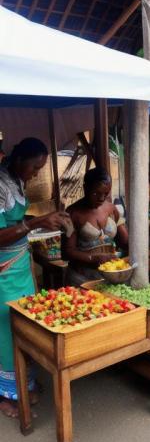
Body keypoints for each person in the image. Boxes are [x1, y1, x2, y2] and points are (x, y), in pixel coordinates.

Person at [0, 137, 70, 418]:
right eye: (35, 166)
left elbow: (15, 220)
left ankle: (23, 381)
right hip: (4, 271)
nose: (37, 173)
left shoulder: (14, 179)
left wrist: (43, 219)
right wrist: (37, 222)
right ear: (19, 160)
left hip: (19, 267)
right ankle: (7, 394)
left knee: (25, 325)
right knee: (6, 329)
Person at [63, 167, 128, 286]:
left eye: (106, 193)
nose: (101, 198)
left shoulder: (111, 209)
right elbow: (67, 252)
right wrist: (93, 258)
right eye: (95, 193)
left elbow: (124, 241)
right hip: (81, 278)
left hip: (108, 277)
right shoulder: (73, 213)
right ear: (85, 188)